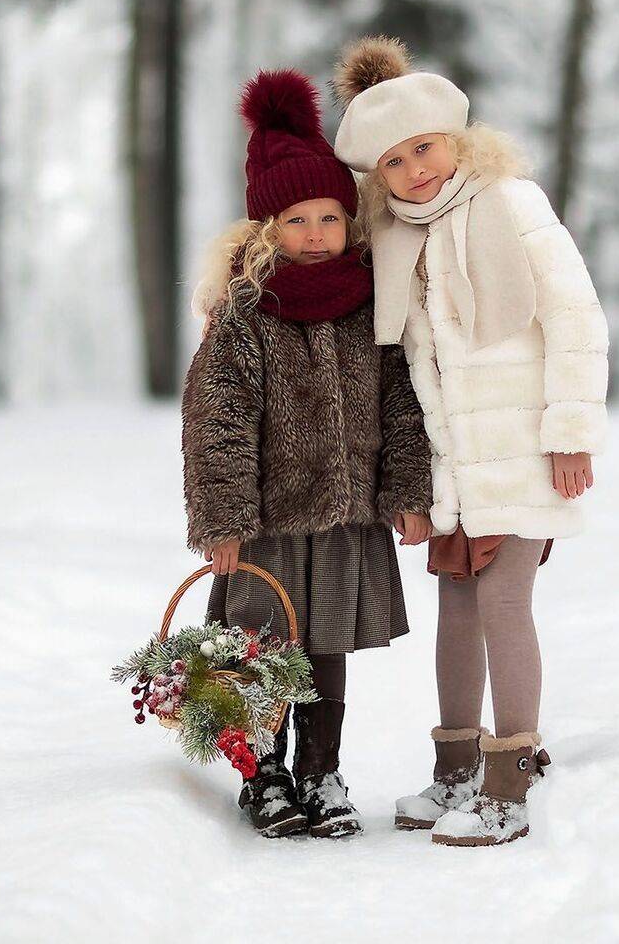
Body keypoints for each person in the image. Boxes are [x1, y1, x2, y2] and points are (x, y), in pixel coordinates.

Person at [331, 37, 610, 846]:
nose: (415, 170)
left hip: (523, 446)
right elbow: (400, 365)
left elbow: (574, 317)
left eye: (423, 148)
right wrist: (410, 480)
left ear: (453, 137)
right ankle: (454, 769)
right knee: (457, 606)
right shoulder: (395, 240)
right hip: (453, 464)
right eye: (394, 162)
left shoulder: (511, 203)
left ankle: (511, 780)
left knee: (502, 601)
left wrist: (570, 431)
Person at [182, 68, 432, 838]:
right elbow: (217, 420)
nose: (316, 233)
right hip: (267, 522)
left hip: (347, 515)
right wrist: (224, 518)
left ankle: (321, 772)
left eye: (329, 217)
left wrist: (406, 492)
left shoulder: (368, 304)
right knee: (262, 646)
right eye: (297, 220)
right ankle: (263, 775)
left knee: (325, 644)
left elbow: (401, 403)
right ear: (268, 229)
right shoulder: (247, 314)